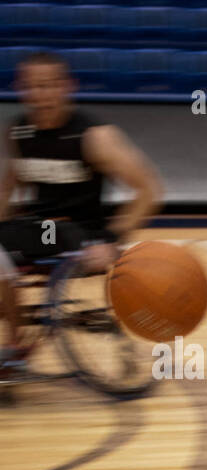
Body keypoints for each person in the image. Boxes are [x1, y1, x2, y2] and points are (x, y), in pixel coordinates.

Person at [0, 51, 163, 371]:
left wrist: (110, 240)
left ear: (67, 87)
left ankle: (15, 344)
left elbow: (149, 189)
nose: (39, 95)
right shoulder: (18, 132)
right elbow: (9, 188)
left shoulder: (94, 137)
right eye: (31, 87)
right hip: (37, 228)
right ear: (21, 89)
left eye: (47, 86)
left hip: (78, 233)